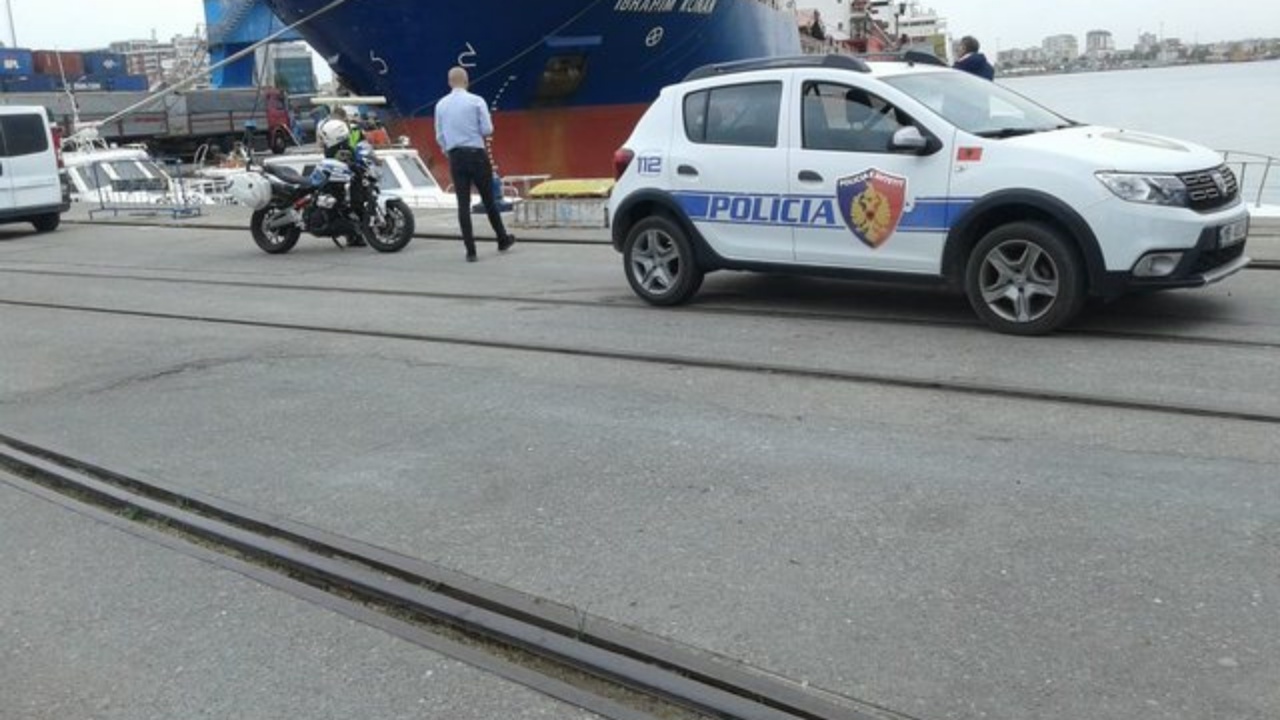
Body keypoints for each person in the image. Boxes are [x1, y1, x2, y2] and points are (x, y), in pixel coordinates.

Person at [434, 66, 516, 262]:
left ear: (449, 82)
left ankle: (470, 251)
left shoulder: (441, 105)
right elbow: (487, 130)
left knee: (463, 204)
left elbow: (439, 135)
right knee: (488, 200)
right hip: (476, 154)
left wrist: (448, 151)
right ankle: (502, 239)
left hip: (456, 156)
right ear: (467, 81)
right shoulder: (477, 101)